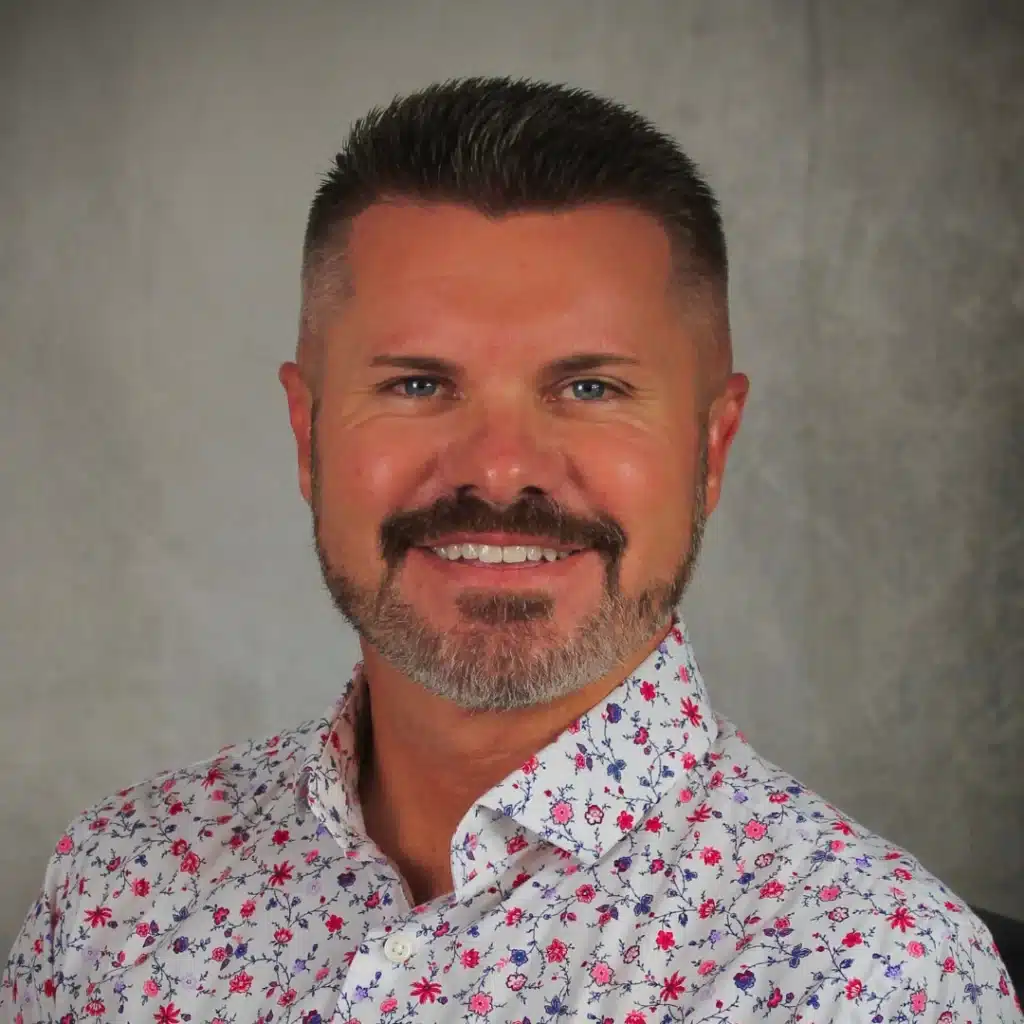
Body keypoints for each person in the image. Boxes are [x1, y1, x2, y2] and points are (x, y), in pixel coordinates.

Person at [2, 76, 1018, 1024]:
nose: (497, 472)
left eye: (588, 389)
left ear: (710, 447)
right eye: (416, 384)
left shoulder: (870, 978)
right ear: (307, 433)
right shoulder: (113, 894)